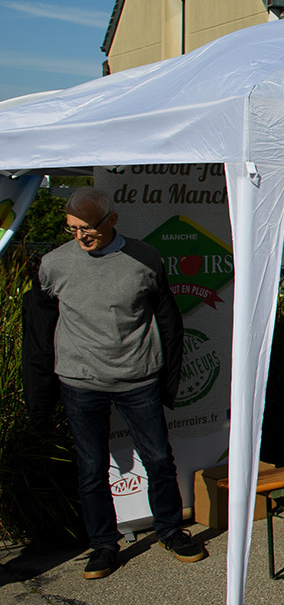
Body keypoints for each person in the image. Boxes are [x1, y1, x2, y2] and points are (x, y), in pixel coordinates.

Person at [35, 188, 205, 579]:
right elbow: (40, 323)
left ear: (111, 220)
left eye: (87, 228)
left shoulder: (144, 259)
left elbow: (166, 317)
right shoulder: (54, 263)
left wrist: (166, 374)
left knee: (159, 459)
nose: (80, 237)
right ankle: (103, 546)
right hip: (80, 381)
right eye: (72, 228)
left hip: (137, 377)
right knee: (92, 467)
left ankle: (169, 530)